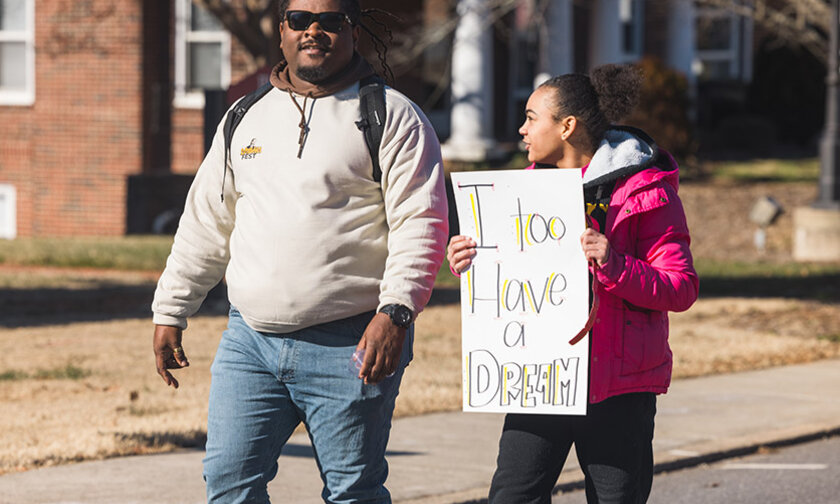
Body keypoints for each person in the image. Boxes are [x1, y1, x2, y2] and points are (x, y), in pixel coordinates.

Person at [151, 0, 448, 501]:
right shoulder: (245, 115)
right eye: (299, 20)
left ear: (351, 31)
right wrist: (171, 309)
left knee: (352, 492)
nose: (314, 30)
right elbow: (206, 222)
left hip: (352, 343)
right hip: (250, 343)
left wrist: (396, 313)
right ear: (282, 32)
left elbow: (421, 222)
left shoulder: (391, 116)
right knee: (228, 484)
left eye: (329, 21)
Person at [447, 64, 699, 503]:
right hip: (541, 379)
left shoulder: (645, 191)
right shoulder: (516, 196)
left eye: (531, 117)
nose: (522, 129)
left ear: (567, 126)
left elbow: (680, 287)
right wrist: (468, 259)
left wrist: (614, 264)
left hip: (618, 389)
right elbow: (507, 281)